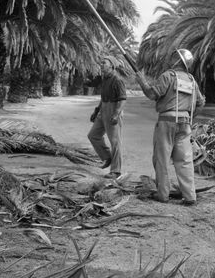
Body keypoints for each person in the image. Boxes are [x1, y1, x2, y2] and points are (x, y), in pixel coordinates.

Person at [135, 49, 205, 205]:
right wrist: (190, 118)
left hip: (167, 121)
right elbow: (200, 103)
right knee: (185, 161)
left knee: (162, 159)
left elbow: (153, 94)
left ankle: (163, 195)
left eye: (173, 57)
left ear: (178, 61)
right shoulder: (192, 80)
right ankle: (190, 196)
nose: (169, 59)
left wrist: (142, 81)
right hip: (185, 123)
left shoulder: (168, 76)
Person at [88, 56, 126, 179]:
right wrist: (96, 111)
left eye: (104, 63)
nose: (101, 65)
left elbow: (122, 100)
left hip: (113, 110)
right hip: (103, 109)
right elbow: (102, 98)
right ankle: (107, 157)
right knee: (93, 135)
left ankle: (115, 171)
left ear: (112, 65)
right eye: (101, 63)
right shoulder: (105, 79)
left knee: (115, 142)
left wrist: (116, 114)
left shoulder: (117, 80)